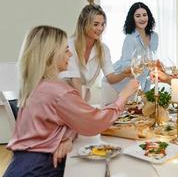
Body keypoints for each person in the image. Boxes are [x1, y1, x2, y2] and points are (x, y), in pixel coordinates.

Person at [4, 25, 139, 177]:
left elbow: (68, 121)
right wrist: (124, 95)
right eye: (66, 49)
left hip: (19, 166)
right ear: (51, 55)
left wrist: (66, 138)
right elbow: (95, 122)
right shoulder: (58, 92)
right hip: (39, 169)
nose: (70, 54)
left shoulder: (36, 85)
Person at [59, 0, 132, 102]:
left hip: (83, 97)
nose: (100, 28)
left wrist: (125, 73)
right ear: (83, 24)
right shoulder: (69, 45)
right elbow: (75, 79)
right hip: (64, 96)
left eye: (103, 24)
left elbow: (111, 78)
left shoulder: (103, 49)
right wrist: (80, 107)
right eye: (96, 24)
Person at [111, 2, 159, 93]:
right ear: (132, 19)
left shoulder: (155, 37)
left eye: (144, 15)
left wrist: (146, 91)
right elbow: (125, 65)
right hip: (121, 81)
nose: (142, 18)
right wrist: (144, 64)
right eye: (138, 16)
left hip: (142, 81)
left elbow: (151, 61)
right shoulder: (130, 38)